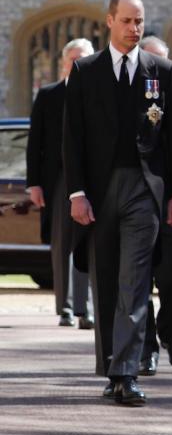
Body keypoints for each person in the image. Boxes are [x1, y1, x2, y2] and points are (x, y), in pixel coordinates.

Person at [62, 0, 172, 405]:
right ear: (110, 22)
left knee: (135, 282)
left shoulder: (161, 70)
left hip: (143, 188)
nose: (136, 28)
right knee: (106, 280)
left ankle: (127, 371)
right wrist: (77, 193)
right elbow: (73, 138)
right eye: (128, 21)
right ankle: (110, 366)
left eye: (140, 21)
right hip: (99, 191)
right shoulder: (85, 70)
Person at [26, 38, 94, 329]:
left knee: (90, 244)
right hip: (60, 180)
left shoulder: (101, 94)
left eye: (84, 59)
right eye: (74, 59)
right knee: (63, 244)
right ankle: (66, 308)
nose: (78, 64)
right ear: (65, 63)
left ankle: (86, 308)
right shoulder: (49, 95)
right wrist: (34, 184)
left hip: (94, 179)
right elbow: (35, 143)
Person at [138, 36, 172, 376]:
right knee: (140, 279)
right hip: (142, 204)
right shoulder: (131, 105)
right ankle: (146, 348)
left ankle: (170, 334)